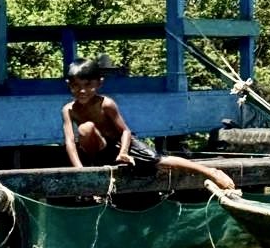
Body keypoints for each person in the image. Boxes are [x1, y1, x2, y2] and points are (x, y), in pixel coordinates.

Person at [62, 57, 237, 192]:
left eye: (88, 85)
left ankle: (211, 172)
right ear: (69, 85)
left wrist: (123, 152)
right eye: (76, 86)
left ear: (99, 83)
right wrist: (79, 170)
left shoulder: (106, 103)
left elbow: (125, 132)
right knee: (86, 128)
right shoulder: (68, 110)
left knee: (160, 161)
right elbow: (70, 141)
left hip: (121, 145)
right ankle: (95, 167)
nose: (82, 91)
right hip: (99, 149)